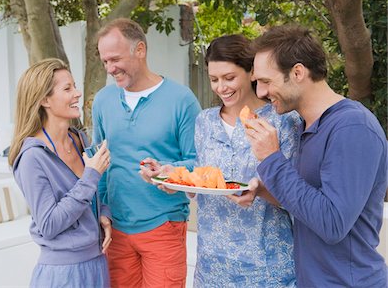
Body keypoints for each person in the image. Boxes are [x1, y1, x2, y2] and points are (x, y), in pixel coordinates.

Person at [141, 34, 301, 287]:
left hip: (267, 268)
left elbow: (297, 196)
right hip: (212, 266)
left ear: (250, 72)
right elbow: (204, 175)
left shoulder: (283, 121)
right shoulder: (204, 121)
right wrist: (172, 174)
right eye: (214, 79)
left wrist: (260, 191)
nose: (221, 87)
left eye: (229, 78)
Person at [246, 24, 388, 287]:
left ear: (298, 72)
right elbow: (309, 203)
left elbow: (332, 223)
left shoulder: (352, 127)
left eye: (266, 81)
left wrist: (272, 159)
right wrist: (265, 191)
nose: (260, 93)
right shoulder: (306, 126)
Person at [93, 18, 202, 287]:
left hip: (164, 226)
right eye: (105, 61)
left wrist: (168, 171)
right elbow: (100, 163)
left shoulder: (182, 99)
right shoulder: (102, 101)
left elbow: (199, 162)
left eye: (115, 59)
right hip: (115, 229)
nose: (110, 68)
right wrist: (102, 209)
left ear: (139, 50)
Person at [9, 58, 112, 288]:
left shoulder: (79, 139)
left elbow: (90, 195)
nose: (77, 93)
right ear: (44, 99)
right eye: (67, 88)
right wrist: (91, 175)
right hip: (64, 275)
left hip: (97, 264)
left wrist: (103, 213)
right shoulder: (31, 158)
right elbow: (49, 224)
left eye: (74, 85)